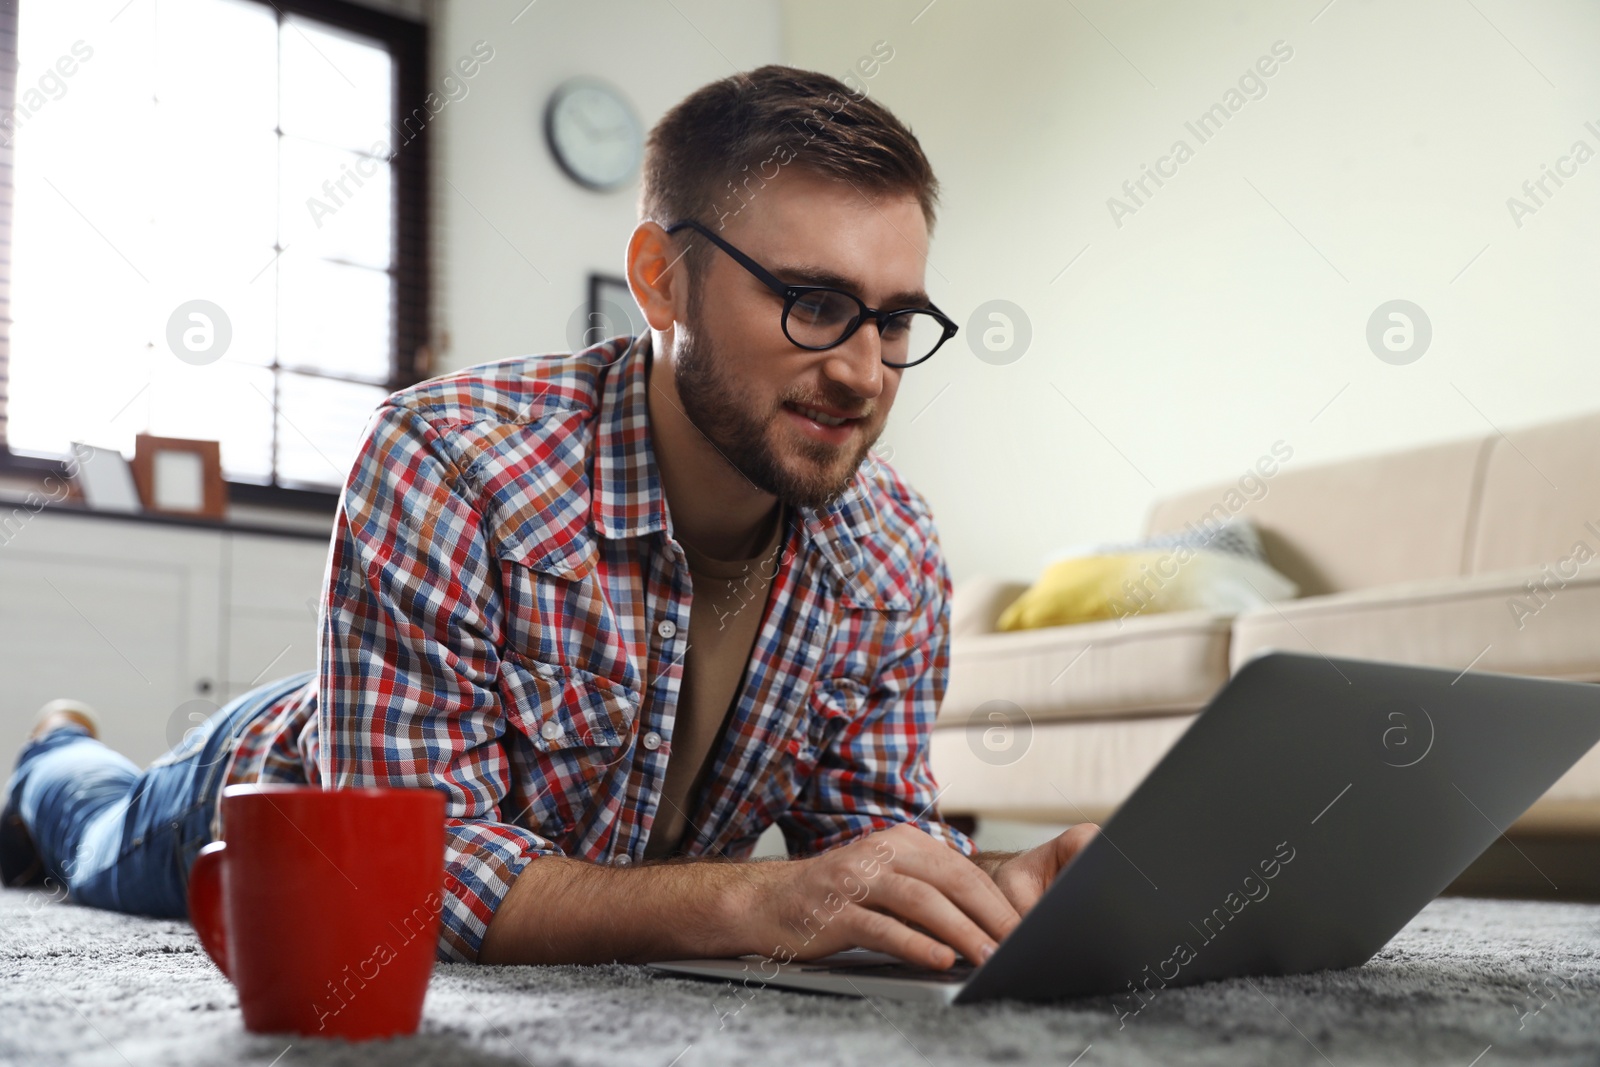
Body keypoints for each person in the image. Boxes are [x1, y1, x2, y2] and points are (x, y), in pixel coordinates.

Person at [2, 64, 1097, 969]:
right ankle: (54, 746)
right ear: (661, 283)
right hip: (281, 787)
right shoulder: (451, 454)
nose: (864, 371)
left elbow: (863, 843)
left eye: (895, 318)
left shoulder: (891, 545)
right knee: (91, 834)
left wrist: (978, 892)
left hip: (404, 740)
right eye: (813, 304)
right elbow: (413, 877)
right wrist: (750, 903)